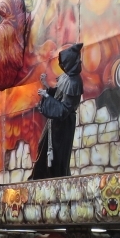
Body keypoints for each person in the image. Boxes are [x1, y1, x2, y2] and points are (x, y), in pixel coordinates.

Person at [31, 43, 83, 180]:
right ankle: (39, 177)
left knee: (58, 155)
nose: (63, 66)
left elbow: (65, 109)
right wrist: (46, 87)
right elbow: (58, 93)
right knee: (42, 145)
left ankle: (54, 178)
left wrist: (47, 97)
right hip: (55, 122)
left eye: (65, 63)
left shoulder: (74, 82)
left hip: (63, 125)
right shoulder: (66, 77)